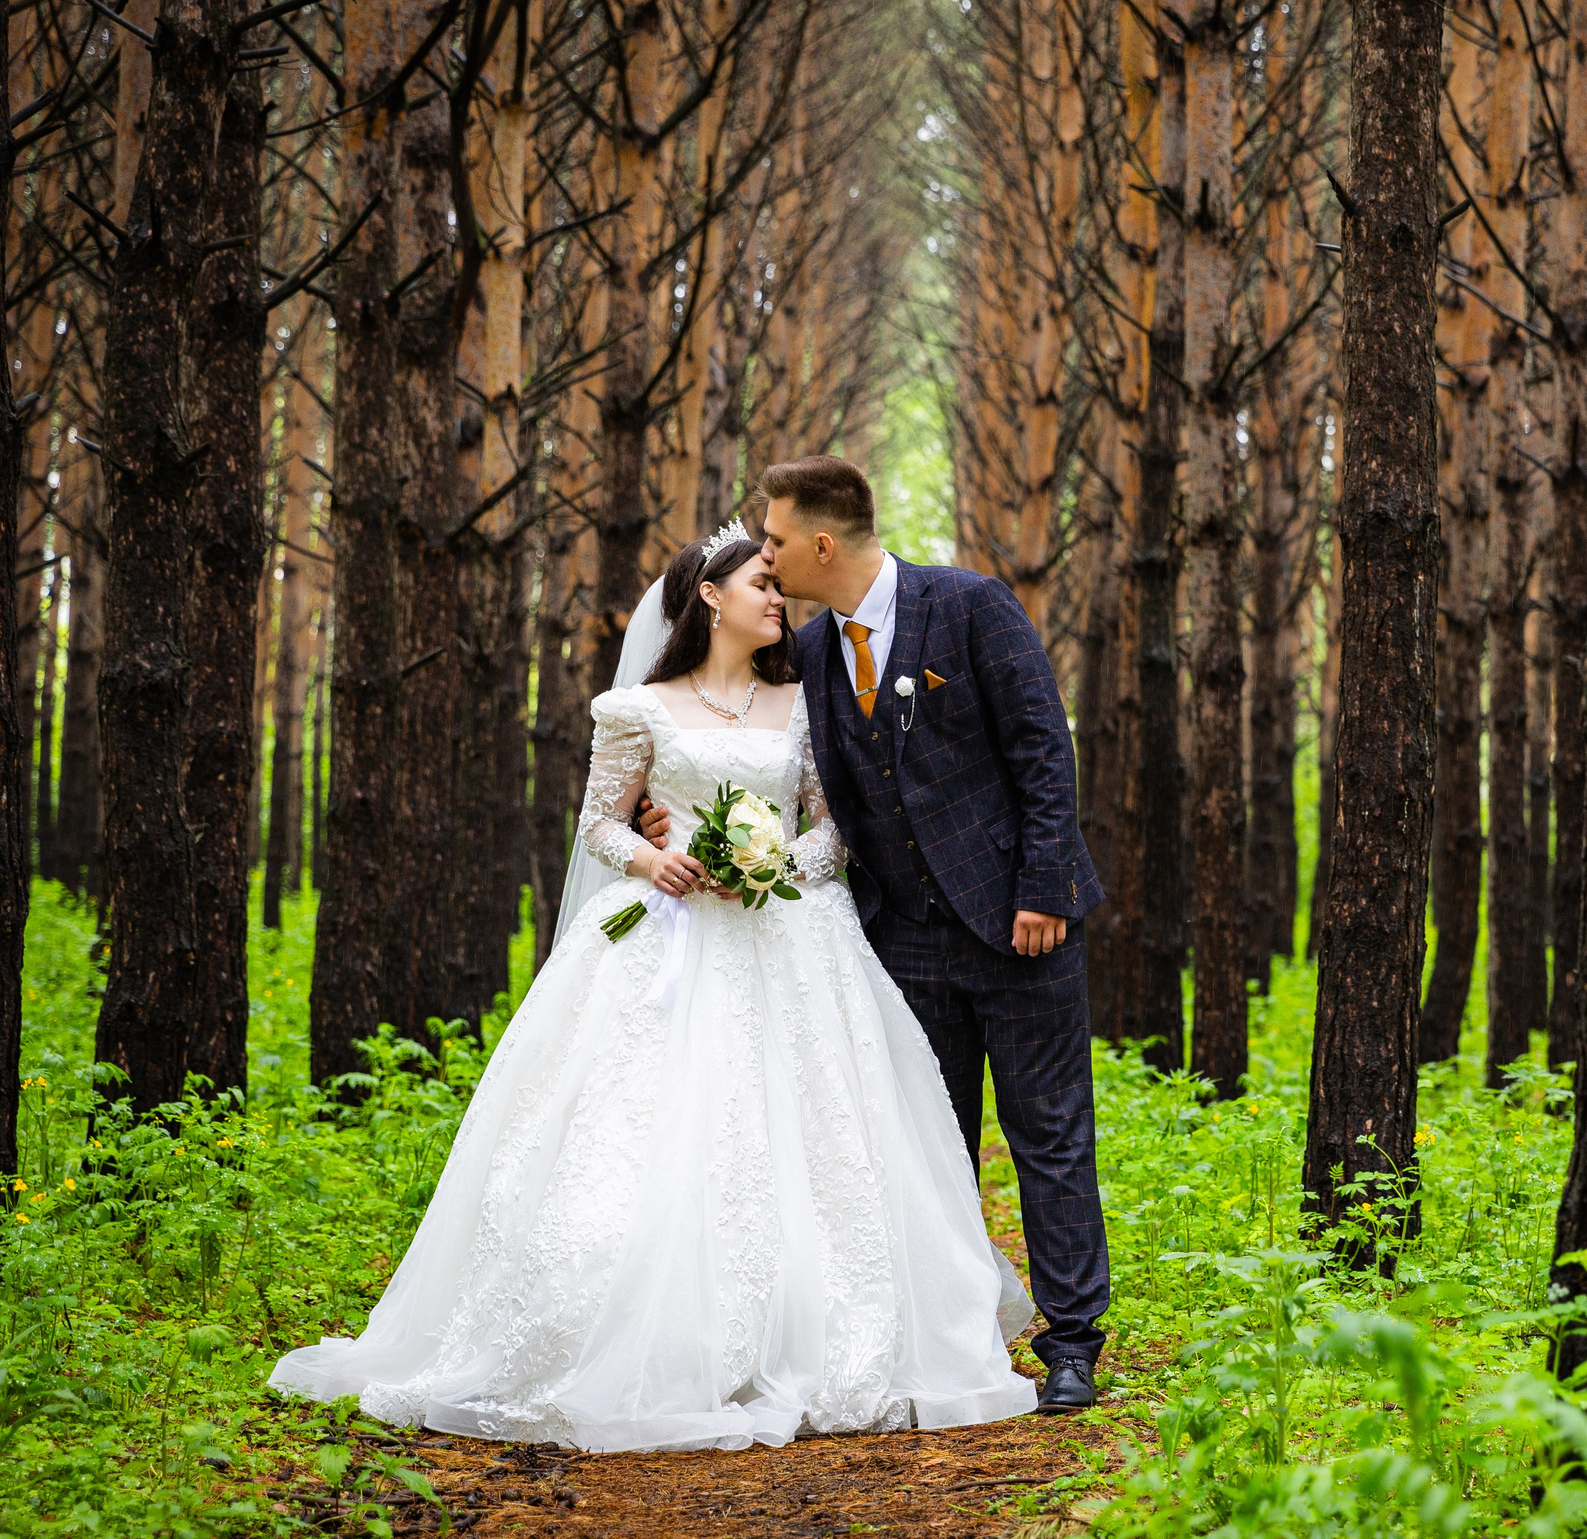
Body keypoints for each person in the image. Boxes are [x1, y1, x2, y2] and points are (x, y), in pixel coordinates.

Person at [269, 523, 1041, 1451]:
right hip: (667, 935)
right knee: (637, 1129)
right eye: (761, 584)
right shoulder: (638, 708)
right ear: (710, 596)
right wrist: (652, 858)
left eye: (779, 584)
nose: (779, 598)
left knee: (824, 1131)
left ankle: (819, 1327)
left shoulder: (803, 703)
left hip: (791, 935)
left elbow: (832, 829)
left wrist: (771, 866)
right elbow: (598, 823)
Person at [647, 456, 1110, 1414]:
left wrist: (1044, 891)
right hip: (900, 938)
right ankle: (959, 1334)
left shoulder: (971, 607)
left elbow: (1042, 747)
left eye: (776, 539)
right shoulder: (811, 652)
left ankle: (1072, 1342)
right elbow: (771, 764)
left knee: (1049, 1136)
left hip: (1020, 926)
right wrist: (669, 821)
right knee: (929, 1145)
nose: (766, 555)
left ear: (822, 544)